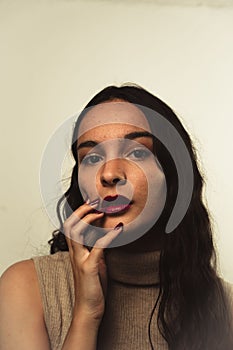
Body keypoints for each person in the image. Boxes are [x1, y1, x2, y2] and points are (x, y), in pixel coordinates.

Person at [0, 84, 232, 350]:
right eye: (92, 157)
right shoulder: (26, 288)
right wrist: (86, 314)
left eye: (137, 152)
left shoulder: (225, 308)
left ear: (173, 174)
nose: (109, 174)